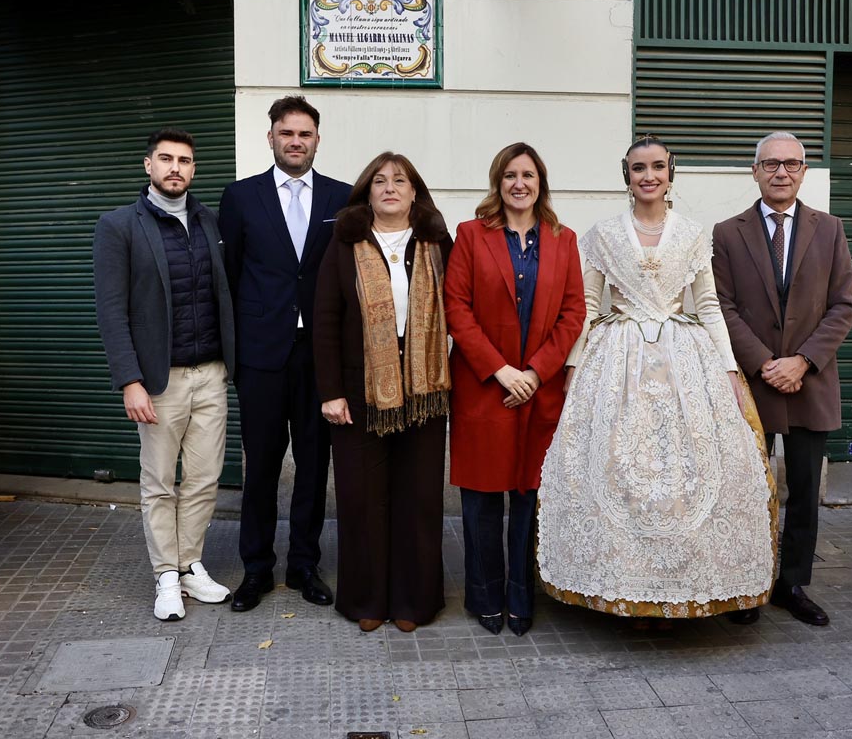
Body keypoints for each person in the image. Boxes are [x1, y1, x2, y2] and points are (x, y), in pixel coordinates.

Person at [537, 136, 776, 623]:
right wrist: (575, 368)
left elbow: (707, 305)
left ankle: (697, 582)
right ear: (626, 176)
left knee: (696, 472)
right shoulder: (603, 233)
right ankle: (624, 583)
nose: (649, 176)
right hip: (617, 360)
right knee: (619, 470)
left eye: (657, 167)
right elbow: (586, 304)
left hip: (684, 360)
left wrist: (729, 369)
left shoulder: (691, 233)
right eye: (638, 168)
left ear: (671, 173)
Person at [711, 131, 852, 626]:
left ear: (803, 172)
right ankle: (747, 583)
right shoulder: (727, 233)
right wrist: (764, 362)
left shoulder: (830, 229)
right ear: (754, 171)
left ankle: (791, 583)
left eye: (791, 164)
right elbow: (720, 307)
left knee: (803, 488)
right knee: (749, 486)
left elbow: (843, 306)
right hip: (754, 382)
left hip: (810, 381)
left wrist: (803, 361)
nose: (781, 172)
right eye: (770, 164)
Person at [94, 128, 237, 621]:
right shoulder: (119, 226)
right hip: (160, 380)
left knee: (202, 478)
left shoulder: (209, 221)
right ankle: (166, 577)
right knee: (159, 481)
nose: (176, 168)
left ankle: (190, 563)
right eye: (167, 159)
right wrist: (129, 380)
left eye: (186, 161)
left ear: (194, 169)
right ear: (148, 165)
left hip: (212, 372)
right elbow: (111, 310)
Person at [444, 143, 585, 636]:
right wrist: (501, 370)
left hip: (539, 389)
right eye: (509, 175)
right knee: (482, 499)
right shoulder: (470, 235)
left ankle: (522, 596)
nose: (519, 183)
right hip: (485, 386)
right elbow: (456, 308)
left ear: (540, 182)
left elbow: (574, 313)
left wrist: (536, 372)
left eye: (528, 174)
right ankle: (484, 595)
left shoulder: (563, 240)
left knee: (528, 497)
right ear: (497, 182)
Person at [218, 96, 351, 612]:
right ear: (270, 138)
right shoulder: (241, 196)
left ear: (317, 139)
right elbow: (228, 282)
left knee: (315, 466)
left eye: (305, 134)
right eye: (287, 133)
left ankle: (303, 565)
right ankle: (255, 569)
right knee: (263, 467)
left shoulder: (342, 198)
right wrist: (231, 354)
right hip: (261, 355)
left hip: (319, 356)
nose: (296, 142)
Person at [313, 152, 453, 633]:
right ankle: (367, 599)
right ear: (366, 191)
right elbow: (325, 318)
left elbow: (461, 307)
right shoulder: (345, 242)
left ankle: (414, 602)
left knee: (418, 498)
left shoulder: (437, 241)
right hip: (358, 391)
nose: (390, 187)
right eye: (379, 180)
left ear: (415, 191)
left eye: (400, 180)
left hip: (425, 390)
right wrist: (330, 391)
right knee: (361, 499)